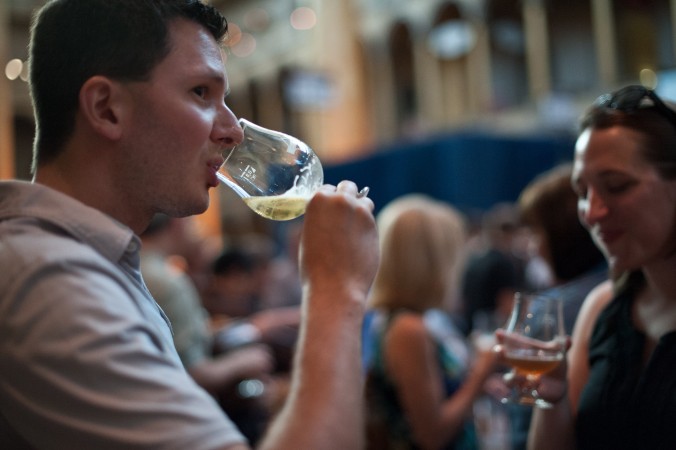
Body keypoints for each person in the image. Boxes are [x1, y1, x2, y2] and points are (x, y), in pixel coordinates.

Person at [0, 1, 379, 449]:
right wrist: (337, 291)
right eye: (201, 92)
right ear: (106, 109)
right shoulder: (47, 281)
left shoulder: (89, 259)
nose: (233, 131)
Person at [524, 85, 676, 449]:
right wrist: (552, 399)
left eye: (616, 186)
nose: (591, 213)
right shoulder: (601, 310)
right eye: (582, 192)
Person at [362, 194, 498, 449]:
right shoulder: (409, 329)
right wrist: (481, 373)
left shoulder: (401, 318)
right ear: (432, 262)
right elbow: (432, 435)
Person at [505, 162, 608, 449]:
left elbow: (525, 429)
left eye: (536, 232)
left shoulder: (555, 309)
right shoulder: (617, 289)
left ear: (562, 235)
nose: (531, 246)